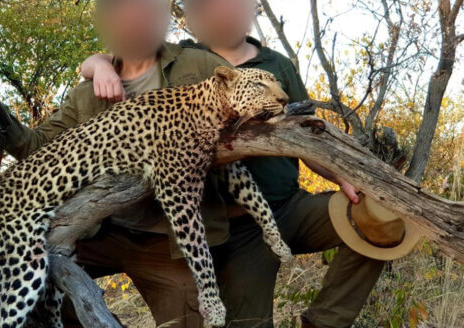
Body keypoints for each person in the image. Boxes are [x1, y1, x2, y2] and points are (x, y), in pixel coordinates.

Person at [0, 0, 278, 327]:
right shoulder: (86, 94)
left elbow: (250, 99)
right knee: (29, 287)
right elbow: (34, 146)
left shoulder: (198, 65)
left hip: (167, 242)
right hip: (98, 232)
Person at [79, 0, 386, 327]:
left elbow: (311, 133)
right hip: (237, 228)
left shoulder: (278, 65)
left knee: (382, 218)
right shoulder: (186, 61)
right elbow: (114, 61)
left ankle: (323, 322)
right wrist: (100, 66)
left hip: (290, 206)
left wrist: (343, 176)